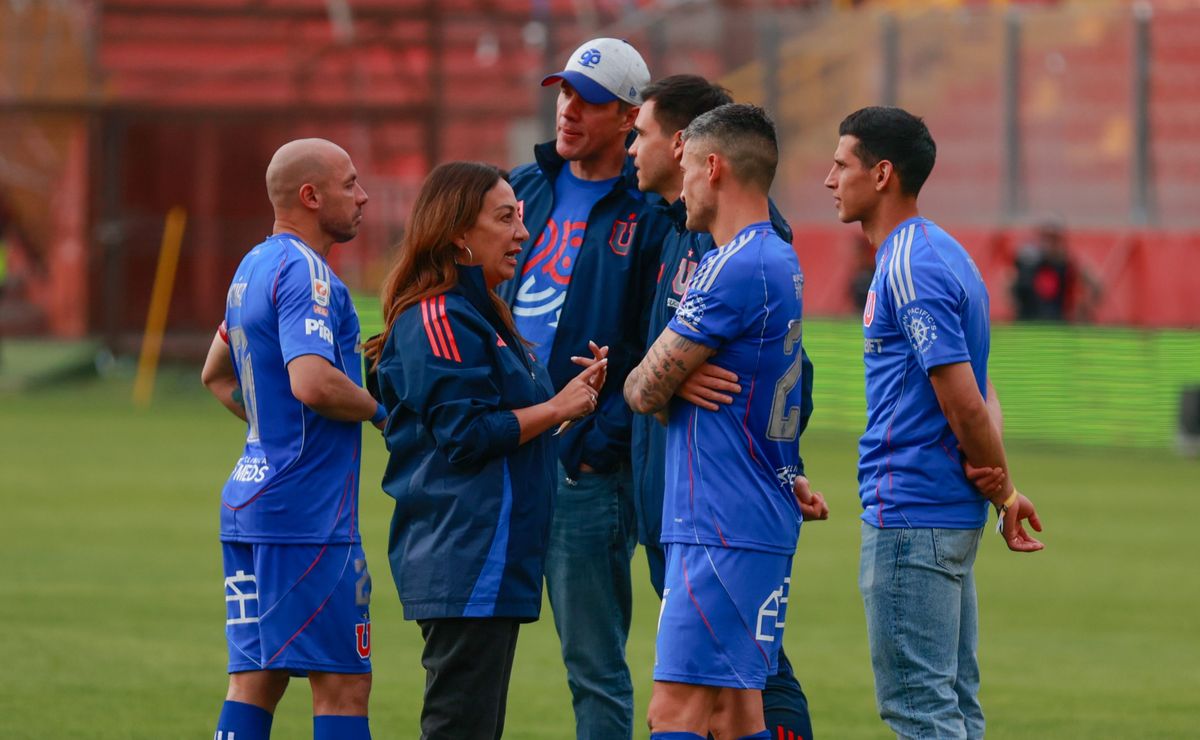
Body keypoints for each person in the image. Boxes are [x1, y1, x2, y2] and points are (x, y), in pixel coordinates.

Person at [822, 106, 1045, 738]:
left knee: (919, 711)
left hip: (910, 515)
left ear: (883, 173)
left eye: (841, 164)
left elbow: (965, 401)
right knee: (955, 709)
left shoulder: (907, 265)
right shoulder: (949, 254)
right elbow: (981, 386)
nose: (829, 179)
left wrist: (1002, 489)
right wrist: (1000, 487)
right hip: (944, 516)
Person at [367, 162, 608, 739]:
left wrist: (573, 400)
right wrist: (557, 408)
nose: (523, 233)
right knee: (459, 729)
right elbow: (466, 435)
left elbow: (503, 430)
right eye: (505, 218)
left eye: (521, 217)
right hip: (467, 555)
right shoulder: (439, 315)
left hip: (495, 558)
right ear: (457, 232)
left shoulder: (485, 312)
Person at [627, 75, 823, 740]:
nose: (679, 185)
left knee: (674, 712)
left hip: (719, 523)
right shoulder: (775, 258)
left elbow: (641, 389)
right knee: (737, 713)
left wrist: (659, 379)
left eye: (684, 168)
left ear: (713, 168)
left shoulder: (733, 266)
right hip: (740, 516)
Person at [498, 37, 668, 739]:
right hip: (504, 450)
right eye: (564, 92)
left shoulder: (652, 208)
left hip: (584, 467)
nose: (568, 110)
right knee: (473, 652)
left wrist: (599, 444)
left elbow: (655, 342)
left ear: (629, 116)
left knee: (592, 664)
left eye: (589, 101)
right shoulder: (522, 187)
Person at [200, 138, 379, 740]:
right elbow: (313, 382)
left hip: (248, 504)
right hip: (306, 519)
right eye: (350, 184)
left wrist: (271, 435)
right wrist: (386, 413)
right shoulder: (309, 272)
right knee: (343, 687)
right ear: (311, 195)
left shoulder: (251, 267)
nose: (362, 197)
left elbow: (217, 375)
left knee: (255, 680)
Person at [1011, 216, 1102, 322]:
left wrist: (1083, 309)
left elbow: (1096, 285)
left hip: (1058, 325)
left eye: (1053, 239)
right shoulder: (1028, 262)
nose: (1048, 243)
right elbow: (1009, 284)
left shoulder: (1068, 262)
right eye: (1045, 238)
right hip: (1028, 323)